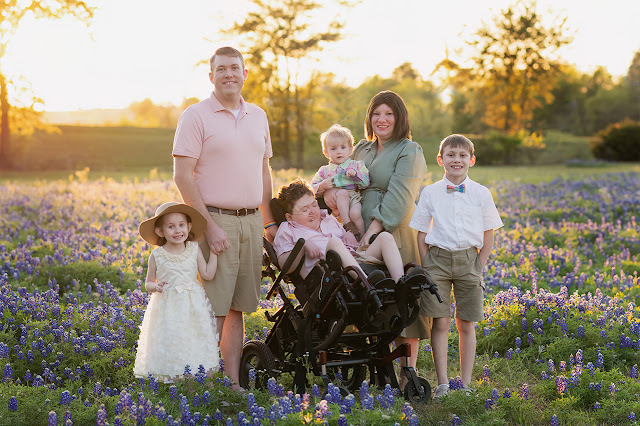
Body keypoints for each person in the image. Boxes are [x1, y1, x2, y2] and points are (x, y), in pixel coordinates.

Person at [172, 46, 276, 392]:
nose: (229, 74)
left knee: (238, 308)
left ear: (245, 73)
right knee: (213, 309)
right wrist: (208, 226)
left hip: (251, 222)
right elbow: (182, 176)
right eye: (222, 69)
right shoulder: (196, 115)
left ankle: (232, 382)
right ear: (211, 75)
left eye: (235, 68)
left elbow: (264, 172)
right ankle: (199, 384)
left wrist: (269, 221)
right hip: (216, 219)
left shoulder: (258, 115)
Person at [321, 91, 428, 387]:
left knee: (398, 300)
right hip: (358, 232)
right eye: (376, 114)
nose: (382, 119)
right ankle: (379, 373)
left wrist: (372, 231)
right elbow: (342, 177)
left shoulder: (409, 150)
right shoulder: (363, 149)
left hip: (392, 231)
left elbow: (401, 197)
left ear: (400, 118)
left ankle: (408, 374)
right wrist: (329, 192)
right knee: (367, 298)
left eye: (389, 114)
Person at [409, 134, 504, 401]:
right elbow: (420, 232)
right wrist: (427, 264)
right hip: (436, 261)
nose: (457, 160)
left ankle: (465, 382)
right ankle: (442, 383)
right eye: (451, 155)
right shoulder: (430, 192)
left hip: (469, 261)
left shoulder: (481, 193)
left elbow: (489, 233)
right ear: (441, 160)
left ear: (471, 160)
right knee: (440, 321)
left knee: (466, 323)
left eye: (462, 155)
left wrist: (479, 265)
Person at [134, 202, 220, 382]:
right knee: (172, 339)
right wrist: (155, 287)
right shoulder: (157, 255)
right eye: (171, 226)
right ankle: (176, 378)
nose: (177, 230)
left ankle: (198, 376)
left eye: (181, 225)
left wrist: (214, 253)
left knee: (194, 337)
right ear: (160, 231)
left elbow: (207, 274)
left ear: (189, 227)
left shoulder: (193, 249)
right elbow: (148, 282)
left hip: (192, 304)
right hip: (168, 305)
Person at [273, 178, 406, 284]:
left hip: (356, 259)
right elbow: (286, 266)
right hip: (328, 272)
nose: (313, 211)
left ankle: (400, 283)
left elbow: (348, 246)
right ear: (289, 217)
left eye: (314, 204)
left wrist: (347, 234)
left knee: (385, 237)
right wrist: (302, 246)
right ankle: (364, 283)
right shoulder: (287, 229)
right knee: (335, 242)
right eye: (305, 209)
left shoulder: (328, 219)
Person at [311, 124, 369, 239]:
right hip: (336, 201)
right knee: (340, 199)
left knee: (356, 214)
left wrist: (356, 175)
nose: (339, 152)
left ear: (350, 150)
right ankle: (347, 229)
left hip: (353, 197)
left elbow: (366, 182)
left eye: (343, 147)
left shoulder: (356, 165)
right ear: (326, 153)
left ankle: (362, 239)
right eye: (333, 148)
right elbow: (312, 187)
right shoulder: (324, 171)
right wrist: (322, 186)